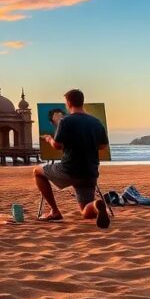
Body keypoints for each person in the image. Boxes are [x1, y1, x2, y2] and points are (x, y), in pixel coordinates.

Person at [33, 89, 111, 228]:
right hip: (89, 171)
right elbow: (103, 145)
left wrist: (48, 138)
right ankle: (95, 205)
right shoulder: (96, 122)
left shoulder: (66, 121)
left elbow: (57, 146)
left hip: (69, 169)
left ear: (69, 103)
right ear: (82, 102)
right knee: (85, 210)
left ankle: (55, 211)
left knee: (37, 171)